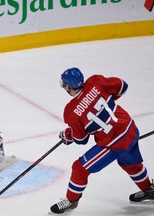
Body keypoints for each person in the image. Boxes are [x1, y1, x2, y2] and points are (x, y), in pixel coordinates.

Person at [50, 68, 154, 214]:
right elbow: (122, 86)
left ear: (68, 86)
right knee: (129, 162)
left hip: (114, 143)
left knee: (79, 168)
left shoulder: (71, 111)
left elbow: (81, 139)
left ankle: (71, 200)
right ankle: (148, 190)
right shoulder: (96, 81)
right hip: (130, 128)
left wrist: (69, 135)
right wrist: (106, 101)